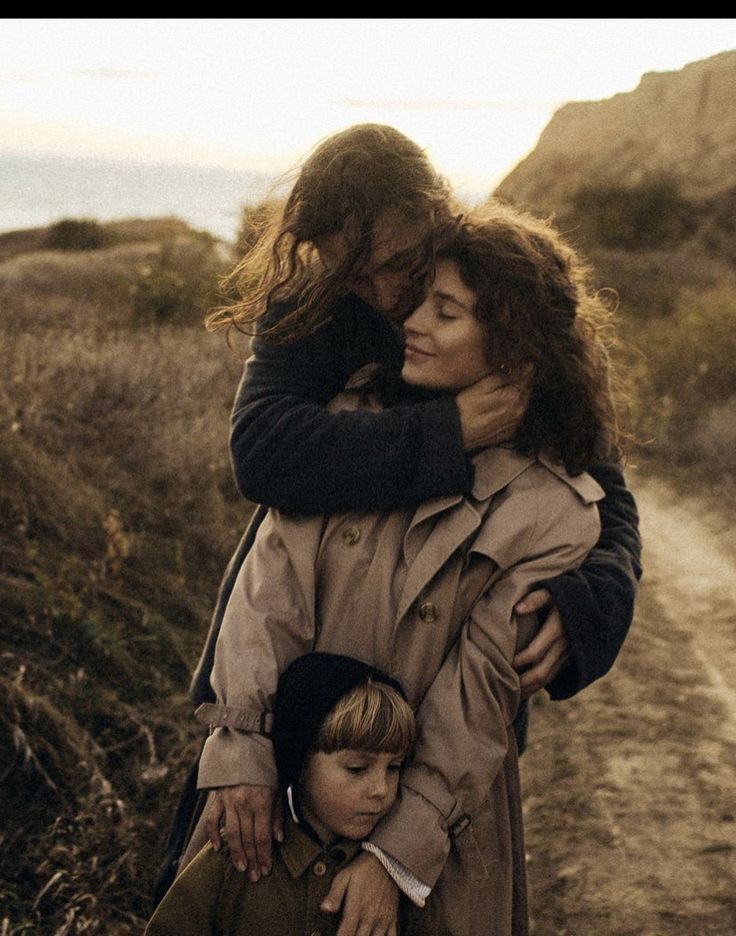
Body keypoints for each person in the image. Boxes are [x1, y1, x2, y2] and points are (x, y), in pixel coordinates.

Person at [154, 124, 640, 906]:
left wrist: (601, 596)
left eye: (402, 266)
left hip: (439, 699)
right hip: (298, 684)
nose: (389, 296)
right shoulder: (321, 299)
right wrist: (446, 433)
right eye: (361, 273)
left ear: (435, 211)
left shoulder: (502, 291)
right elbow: (265, 456)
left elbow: (595, 487)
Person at [146, 653, 416, 936]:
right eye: (357, 769)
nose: (381, 789)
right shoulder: (234, 854)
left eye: (394, 767)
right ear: (299, 763)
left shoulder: (390, 875)